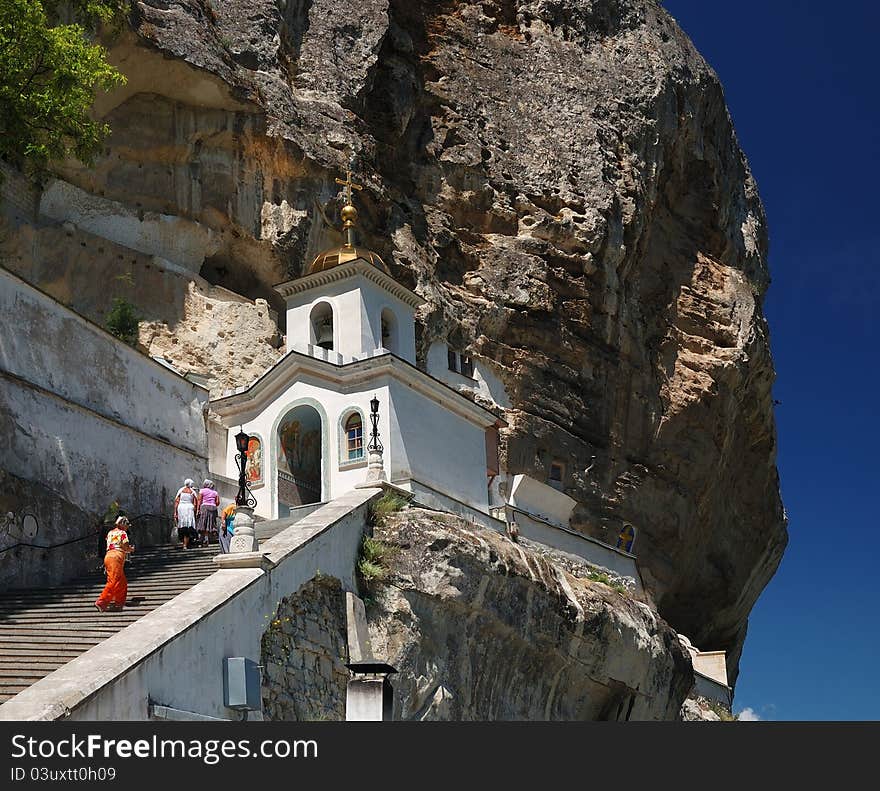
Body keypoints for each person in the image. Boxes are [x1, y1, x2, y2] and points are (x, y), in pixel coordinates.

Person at [95, 515, 134, 612]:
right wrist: (131, 549)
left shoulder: (110, 533)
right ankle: (102, 601)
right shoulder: (123, 533)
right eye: (127, 525)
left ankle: (119, 603)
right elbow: (125, 545)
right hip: (117, 556)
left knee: (122, 582)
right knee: (113, 580)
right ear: (123, 525)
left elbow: (109, 543)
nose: (127, 527)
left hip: (108, 556)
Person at [174, 479, 198, 549]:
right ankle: (186, 543)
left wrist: (175, 512)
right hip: (189, 509)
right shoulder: (192, 491)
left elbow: (176, 502)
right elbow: (195, 503)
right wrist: (196, 511)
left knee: (182, 525)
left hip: (181, 508)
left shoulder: (180, 491)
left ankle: (184, 543)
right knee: (188, 526)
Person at [196, 479, 220, 547]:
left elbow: (199, 500)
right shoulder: (215, 492)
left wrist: (198, 509)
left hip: (205, 507)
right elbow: (217, 502)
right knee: (210, 523)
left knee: (203, 522)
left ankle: (203, 540)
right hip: (213, 508)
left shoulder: (202, 491)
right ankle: (207, 539)